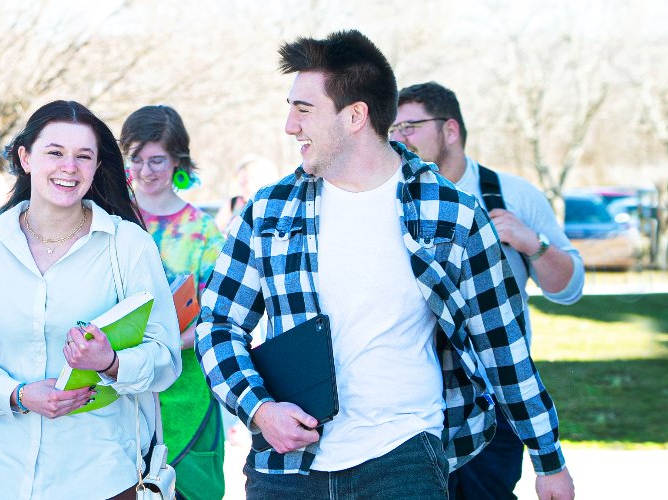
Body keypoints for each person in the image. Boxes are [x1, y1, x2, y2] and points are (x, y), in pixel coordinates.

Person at [196, 30, 576, 499]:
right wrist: (259, 409)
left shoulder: (451, 214)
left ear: (356, 115)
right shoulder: (269, 212)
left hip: (405, 458)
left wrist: (548, 458)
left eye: (304, 109)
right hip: (287, 468)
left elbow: (502, 345)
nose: (290, 126)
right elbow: (217, 325)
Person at [0, 100, 181, 499]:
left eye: (83, 156)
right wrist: (17, 395)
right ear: (26, 158)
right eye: (55, 152)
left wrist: (111, 362)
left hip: (100, 478)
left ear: (96, 167)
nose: (69, 167)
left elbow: (166, 359)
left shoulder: (128, 245)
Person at [392, 81, 586, 499]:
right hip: (414, 395)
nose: (397, 137)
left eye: (409, 126)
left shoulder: (512, 194)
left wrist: (533, 244)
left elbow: (569, 289)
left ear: (450, 130)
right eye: (392, 128)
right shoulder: (388, 199)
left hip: (496, 394)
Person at [120, 104, 227, 500]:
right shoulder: (112, 222)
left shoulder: (203, 232)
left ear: (178, 160)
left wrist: (168, 344)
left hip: (187, 394)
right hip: (120, 393)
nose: (146, 171)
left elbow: (219, 318)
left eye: (157, 160)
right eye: (137, 159)